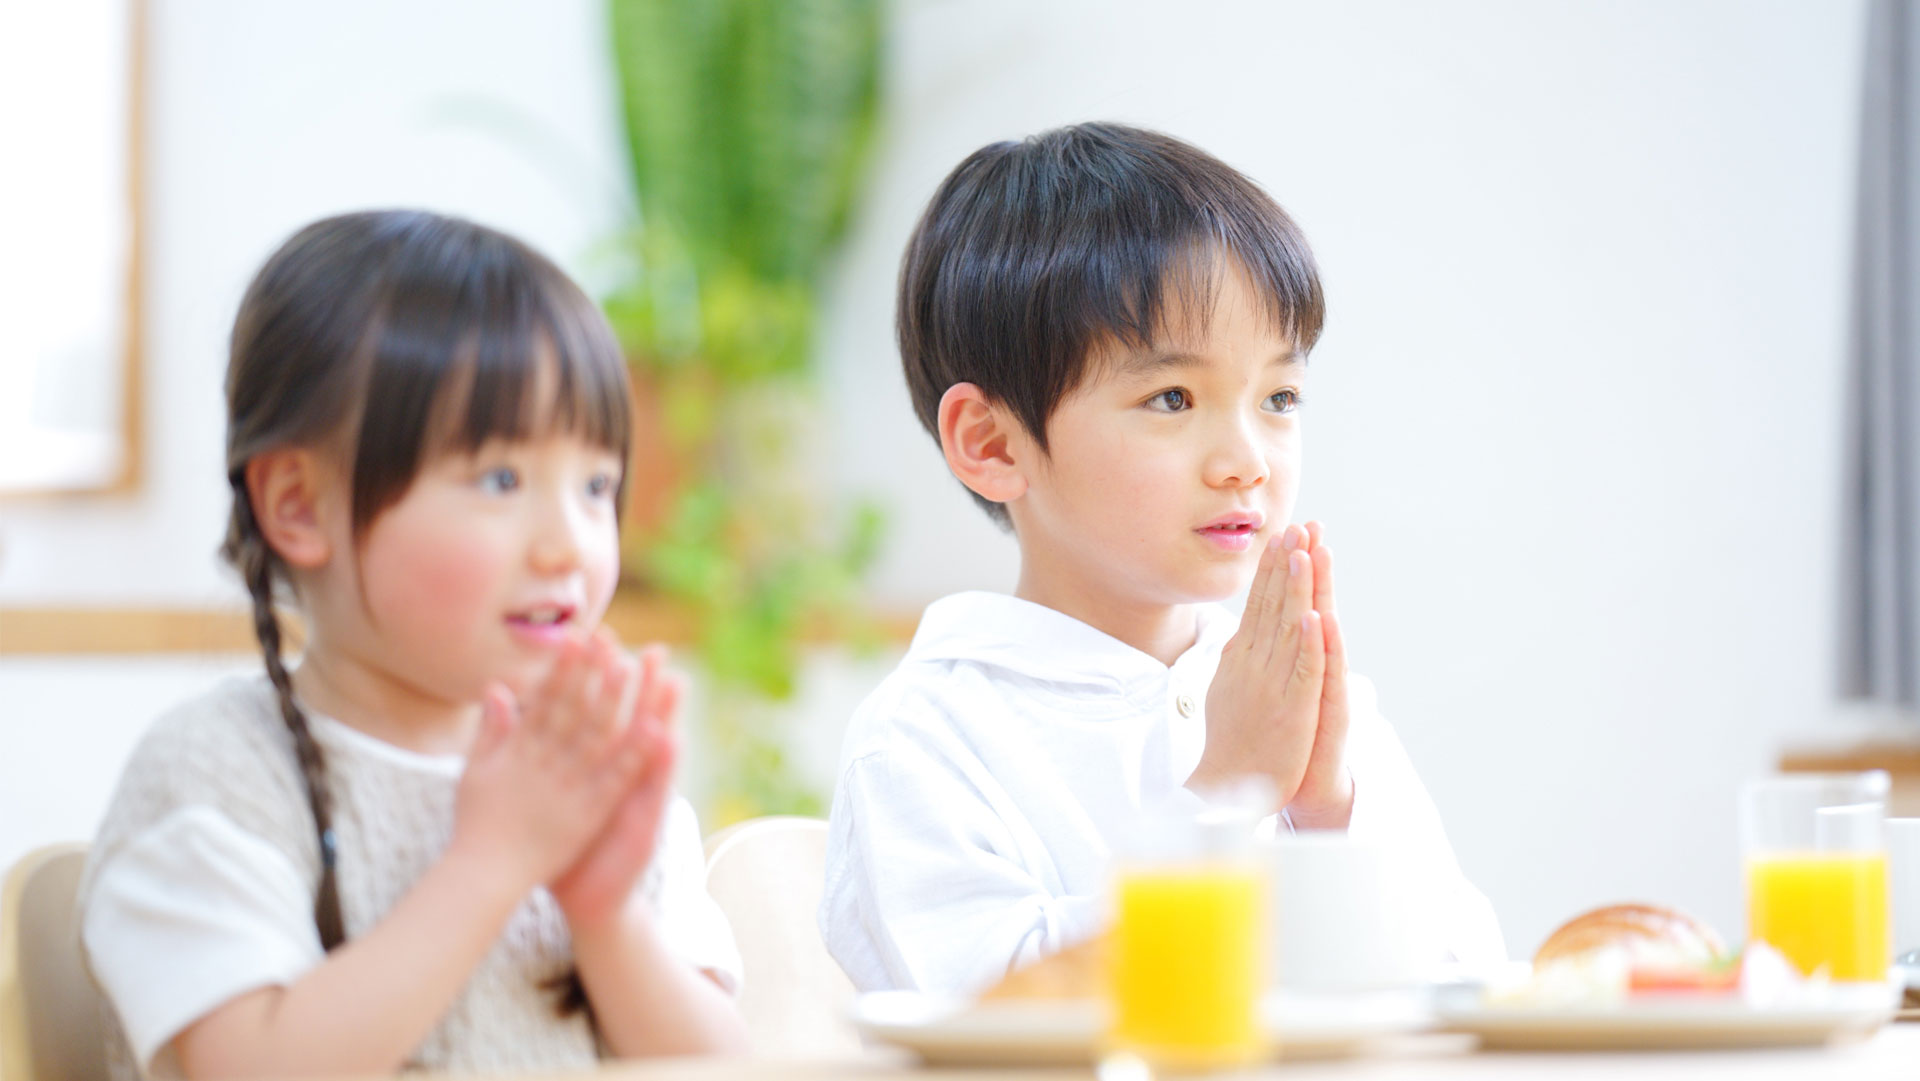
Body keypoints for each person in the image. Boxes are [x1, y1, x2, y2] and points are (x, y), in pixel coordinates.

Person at [819, 123, 1506, 994]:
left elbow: (1470, 984)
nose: (1247, 458)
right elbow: (995, 1018)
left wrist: (1328, 810)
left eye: (1280, 396)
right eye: (1173, 397)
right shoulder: (927, 740)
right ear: (992, 442)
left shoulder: (1303, 701)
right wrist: (1227, 791)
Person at [78, 210, 750, 1079]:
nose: (568, 543)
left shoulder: (587, 771)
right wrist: (495, 859)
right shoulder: (215, 778)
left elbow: (722, 1061)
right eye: (502, 479)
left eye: (596, 484)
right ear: (298, 504)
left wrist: (606, 913)